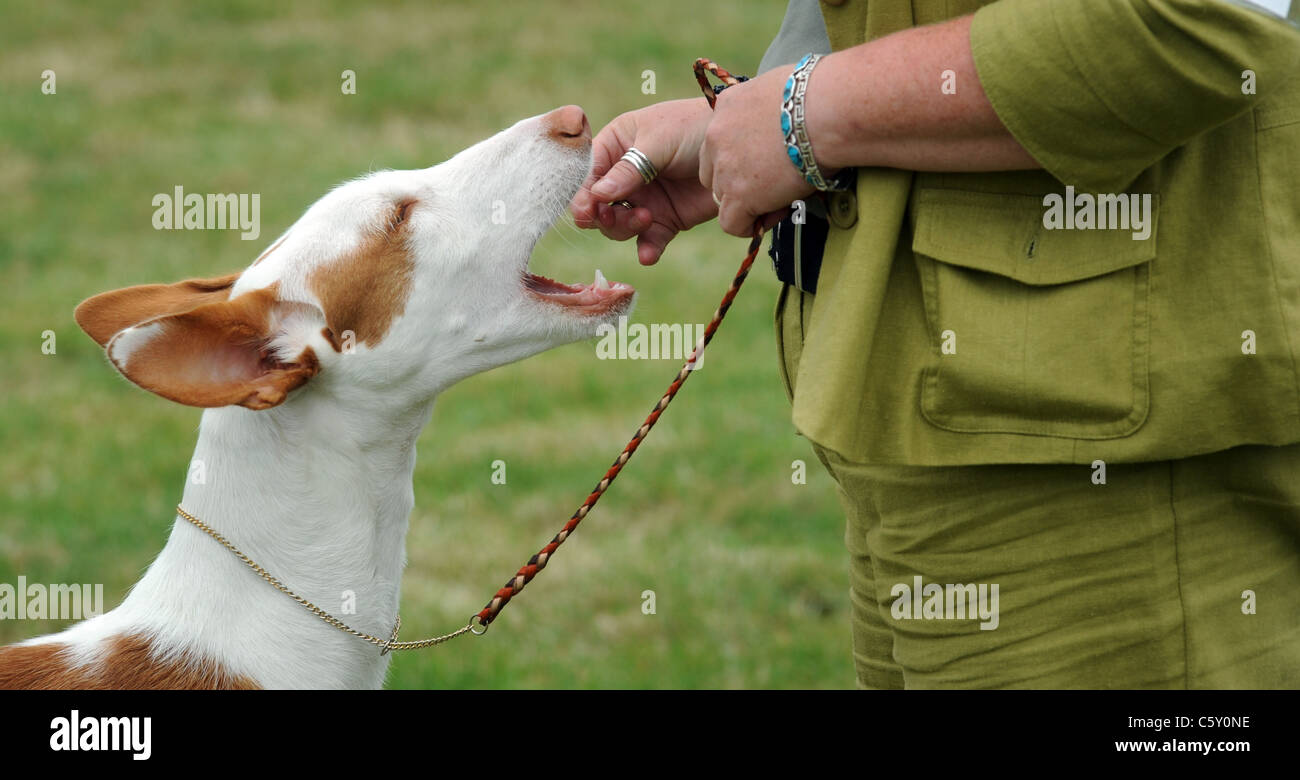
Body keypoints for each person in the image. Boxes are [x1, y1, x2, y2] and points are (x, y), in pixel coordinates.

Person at [571, 0, 1300, 689]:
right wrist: (748, 122)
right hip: (927, 429)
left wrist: (808, 113)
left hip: (1095, 458)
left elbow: (1191, 17)